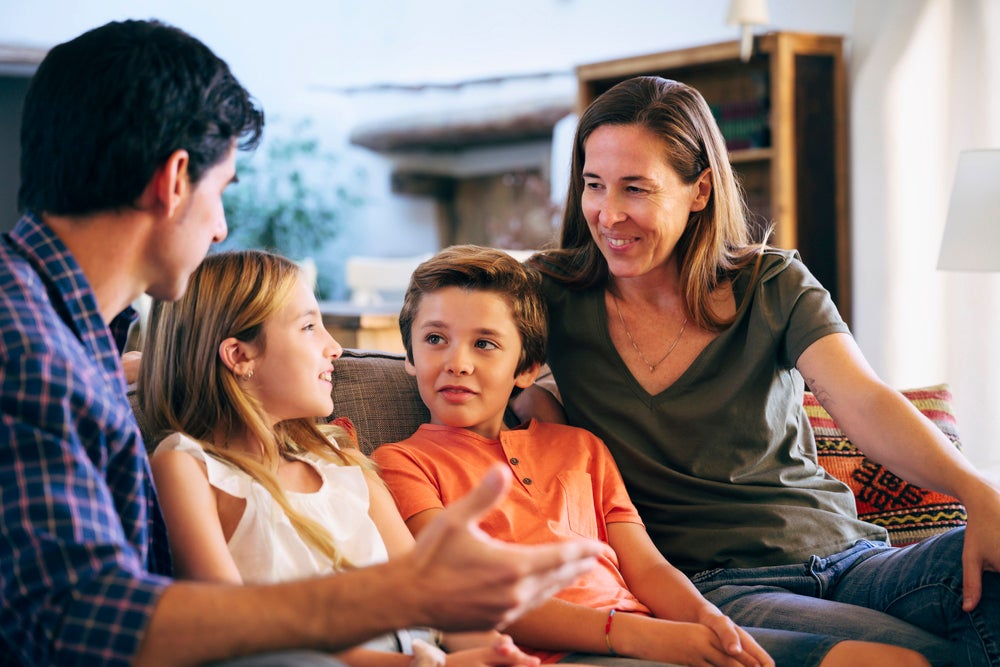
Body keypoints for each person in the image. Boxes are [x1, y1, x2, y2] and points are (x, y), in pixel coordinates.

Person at [0, 20, 599, 667]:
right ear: (175, 180)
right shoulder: (29, 350)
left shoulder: (62, 341)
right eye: (222, 189)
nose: (221, 227)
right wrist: (400, 593)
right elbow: (78, 620)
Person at [508, 75, 1000, 666]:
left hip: (856, 558)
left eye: (636, 189)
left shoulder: (773, 283)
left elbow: (863, 401)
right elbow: (472, 352)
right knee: (914, 656)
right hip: (719, 586)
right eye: (593, 185)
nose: (608, 214)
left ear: (699, 191)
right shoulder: (551, 296)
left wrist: (978, 492)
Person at [372, 245, 928, 667]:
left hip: (650, 632)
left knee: (895, 660)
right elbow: (470, 600)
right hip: (572, 651)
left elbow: (648, 566)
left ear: (525, 369)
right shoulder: (402, 464)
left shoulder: (580, 447)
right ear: (409, 356)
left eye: (485, 344)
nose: (457, 363)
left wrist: (710, 624)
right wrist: (644, 634)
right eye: (435, 339)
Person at [141, 249, 541, 667]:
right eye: (309, 327)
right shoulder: (188, 469)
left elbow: (427, 593)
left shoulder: (340, 460)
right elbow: (234, 634)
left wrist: (499, 652)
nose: (334, 348)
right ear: (240, 356)